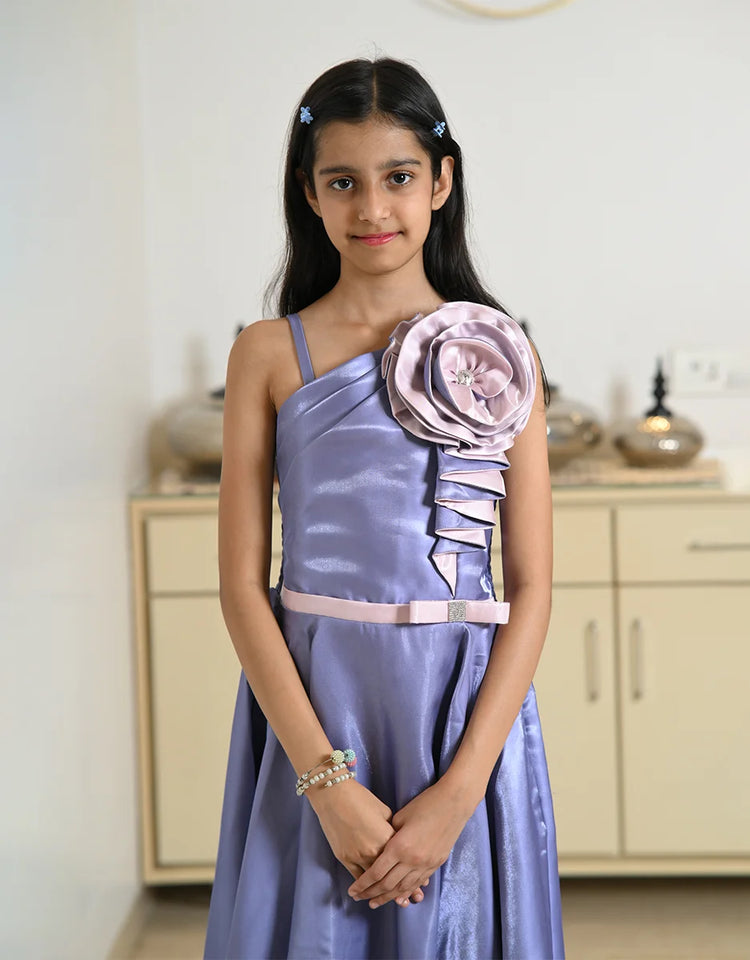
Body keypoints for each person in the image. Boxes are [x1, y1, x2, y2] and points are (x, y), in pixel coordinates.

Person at [203, 55, 565, 960]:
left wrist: (459, 793)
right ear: (310, 193)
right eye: (343, 182)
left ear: (440, 182)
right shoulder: (267, 353)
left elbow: (531, 586)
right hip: (319, 710)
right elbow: (243, 588)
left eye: (398, 177)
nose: (372, 208)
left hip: (461, 712)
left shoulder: (501, 353)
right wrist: (325, 783)